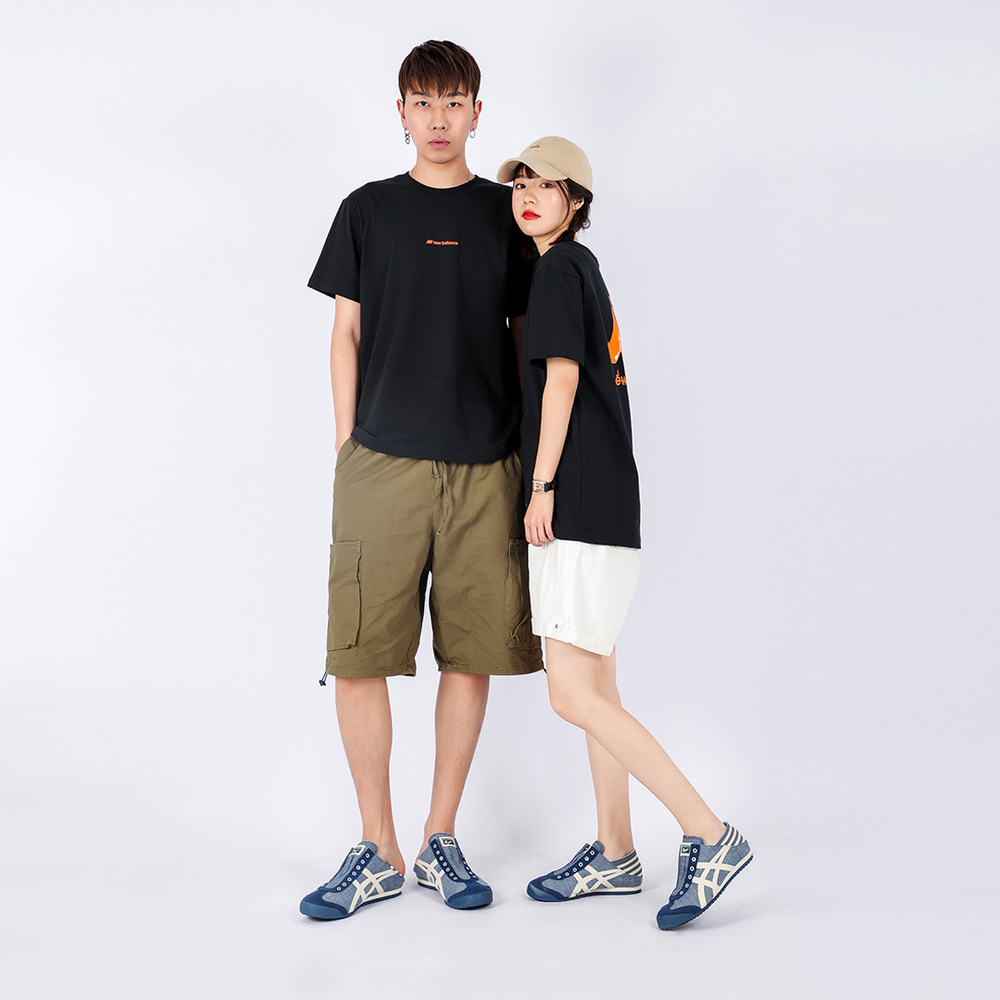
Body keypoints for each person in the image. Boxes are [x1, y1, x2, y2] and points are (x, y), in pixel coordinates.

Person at [298, 41, 542, 922]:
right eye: (423, 102)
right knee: (359, 655)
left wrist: (536, 468)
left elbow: (529, 340)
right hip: (380, 465)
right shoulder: (366, 210)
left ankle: (441, 835)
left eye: (454, 102)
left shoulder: (508, 215)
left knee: (470, 654)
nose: (439, 119)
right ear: (399, 113)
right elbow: (345, 332)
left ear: (478, 112)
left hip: (488, 466)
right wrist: (347, 446)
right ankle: (378, 846)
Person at [496, 137, 752, 929]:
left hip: (576, 503)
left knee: (571, 694)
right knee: (599, 690)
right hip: (606, 503)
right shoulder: (580, 270)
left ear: (575, 202)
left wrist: (541, 485)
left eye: (548, 186)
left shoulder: (559, 270)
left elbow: (562, 380)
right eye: (521, 184)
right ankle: (615, 852)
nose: (529, 195)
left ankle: (709, 834)